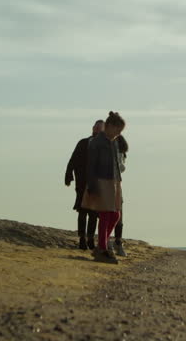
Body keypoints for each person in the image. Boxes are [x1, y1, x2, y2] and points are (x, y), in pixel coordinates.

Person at [82, 111, 126, 263]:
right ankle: (102, 248)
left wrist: (118, 182)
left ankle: (102, 244)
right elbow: (91, 166)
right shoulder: (97, 142)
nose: (119, 134)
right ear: (109, 126)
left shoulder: (113, 141)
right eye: (118, 130)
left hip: (114, 181)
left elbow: (116, 163)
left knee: (115, 215)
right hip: (101, 181)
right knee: (105, 215)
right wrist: (92, 186)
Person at [65, 120, 103, 250]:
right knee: (82, 211)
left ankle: (91, 239)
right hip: (82, 182)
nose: (96, 129)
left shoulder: (105, 146)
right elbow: (73, 159)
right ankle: (82, 239)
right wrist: (68, 174)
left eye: (99, 128)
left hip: (97, 184)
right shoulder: (83, 143)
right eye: (95, 127)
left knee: (94, 212)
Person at [113, 135, 129, 256]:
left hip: (117, 183)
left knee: (119, 214)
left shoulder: (120, 148)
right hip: (108, 182)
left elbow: (122, 167)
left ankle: (118, 241)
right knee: (107, 214)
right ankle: (110, 241)